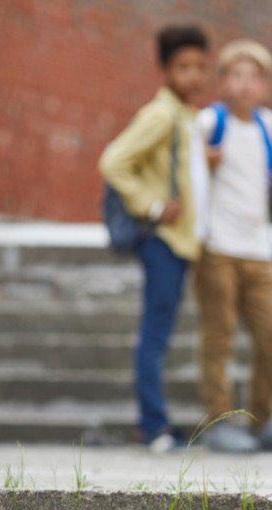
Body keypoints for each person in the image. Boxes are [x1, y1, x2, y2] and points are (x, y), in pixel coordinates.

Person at [193, 39, 272, 453]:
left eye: (255, 77)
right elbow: (188, 174)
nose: (246, 85)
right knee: (219, 336)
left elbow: (267, 167)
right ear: (224, 81)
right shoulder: (210, 121)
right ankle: (219, 421)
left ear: (265, 85)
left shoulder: (268, 123)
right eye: (237, 75)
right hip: (218, 247)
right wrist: (201, 163)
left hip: (259, 248)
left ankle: (263, 421)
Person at [99, 25, 211, 452]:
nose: (194, 76)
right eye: (184, 67)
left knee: (160, 329)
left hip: (182, 242)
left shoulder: (186, 115)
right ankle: (153, 425)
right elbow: (114, 161)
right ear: (164, 69)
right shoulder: (162, 113)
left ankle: (155, 421)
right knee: (156, 332)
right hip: (162, 240)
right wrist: (152, 205)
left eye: (201, 67)